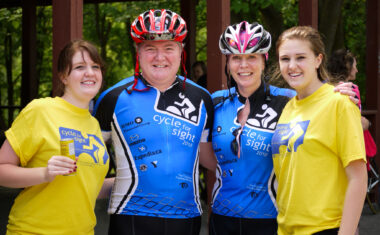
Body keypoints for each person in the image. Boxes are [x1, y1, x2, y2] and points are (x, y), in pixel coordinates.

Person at [93, 9, 216, 235]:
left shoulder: (202, 98)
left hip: (187, 218)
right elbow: (87, 163)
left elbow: (212, 157)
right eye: (150, 49)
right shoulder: (113, 98)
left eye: (168, 48)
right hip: (129, 218)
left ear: (181, 51)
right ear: (138, 52)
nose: (160, 58)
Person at [0, 40, 112, 234]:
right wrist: (45, 174)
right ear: (63, 76)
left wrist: (131, 180)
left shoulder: (93, 125)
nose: (90, 72)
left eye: (95, 66)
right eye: (79, 67)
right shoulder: (41, 110)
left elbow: (88, 186)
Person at [271, 26, 367, 235]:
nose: (292, 65)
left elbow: (358, 177)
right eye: (285, 58)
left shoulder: (339, 103)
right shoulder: (288, 107)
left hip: (326, 229)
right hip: (286, 229)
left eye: (301, 57)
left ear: (318, 60)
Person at [209, 21, 296, 235]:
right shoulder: (215, 102)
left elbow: (331, 114)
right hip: (222, 217)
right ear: (228, 63)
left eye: (251, 57)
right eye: (236, 58)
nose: (243, 65)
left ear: (264, 61)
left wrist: (341, 95)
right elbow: (203, 155)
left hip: (270, 218)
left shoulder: (288, 100)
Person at [328, 49, 370, 130]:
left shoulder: (323, 87)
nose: (357, 70)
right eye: (355, 66)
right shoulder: (352, 89)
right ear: (348, 66)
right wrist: (368, 123)